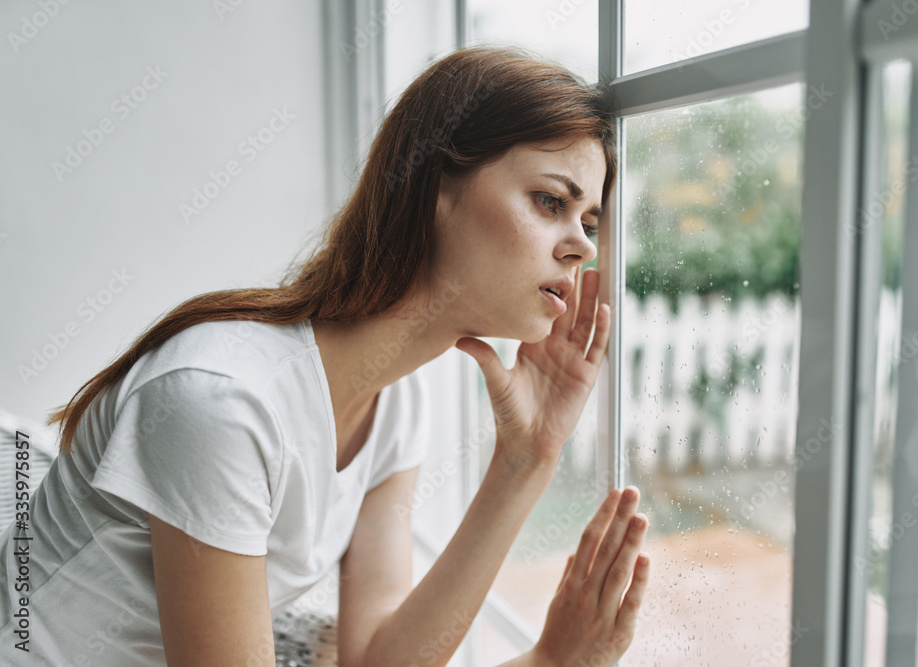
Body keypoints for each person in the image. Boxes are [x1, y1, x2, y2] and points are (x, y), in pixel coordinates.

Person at [0, 46, 650, 666]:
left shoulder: (394, 403)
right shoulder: (224, 400)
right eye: (550, 201)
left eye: (588, 221)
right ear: (434, 189)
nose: (581, 248)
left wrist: (524, 460)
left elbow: (377, 659)